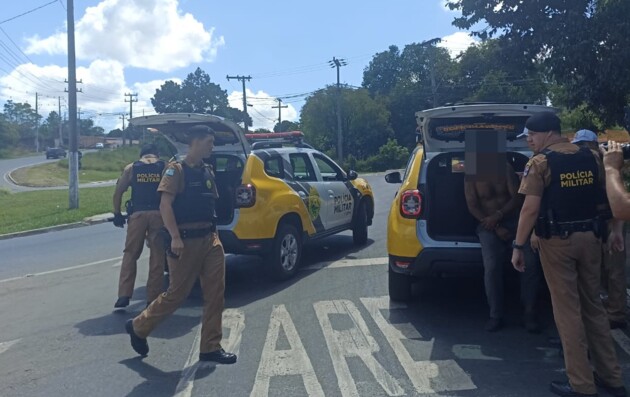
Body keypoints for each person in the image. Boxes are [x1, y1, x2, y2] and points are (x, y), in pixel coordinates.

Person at [511, 112, 626, 397]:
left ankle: (582, 385)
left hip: (558, 244)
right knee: (594, 309)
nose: (529, 141)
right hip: (591, 239)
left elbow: (529, 209)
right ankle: (612, 378)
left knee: (567, 314)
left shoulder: (540, 163)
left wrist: (518, 245)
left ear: (547, 133)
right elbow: (606, 197)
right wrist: (614, 231)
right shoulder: (591, 158)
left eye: (531, 135)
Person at [125, 125, 236, 364]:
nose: (212, 147)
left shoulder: (207, 171)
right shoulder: (176, 171)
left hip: (210, 239)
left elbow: (210, 205)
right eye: (209, 142)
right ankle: (138, 326)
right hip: (184, 240)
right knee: (177, 294)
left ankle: (210, 347)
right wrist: (174, 237)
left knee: (215, 294)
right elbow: (165, 205)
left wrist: (215, 234)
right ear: (195, 142)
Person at [465, 159, 542, 333]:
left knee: (530, 264)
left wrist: (498, 216)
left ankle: (530, 312)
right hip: (487, 226)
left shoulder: (504, 168)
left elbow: (516, 197)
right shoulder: (470, 175)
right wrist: (496, 226)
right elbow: (472, 205)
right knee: (491, 267)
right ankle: (495, 315)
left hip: (514, 221)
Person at [573, 130, 627, 330]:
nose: (585, 150)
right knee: (603, 270)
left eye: (587, 146)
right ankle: (611, 308)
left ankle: (616, 313)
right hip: (596, 222)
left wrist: (617, 229)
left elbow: (618, 197)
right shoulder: (587, 165)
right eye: (581, 146)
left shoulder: (607, 165)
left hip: (610, 221)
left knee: (614, 269)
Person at [112, 144, 166, 308]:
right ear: (156, 154)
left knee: (130, 253)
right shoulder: (164, 166)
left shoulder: (132, 168)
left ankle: (124, 294)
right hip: (159, 214)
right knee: (157, 256)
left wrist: (117, 214)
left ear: (141, 155)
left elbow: (118, 192)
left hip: (137, 215)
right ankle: (152, 297)